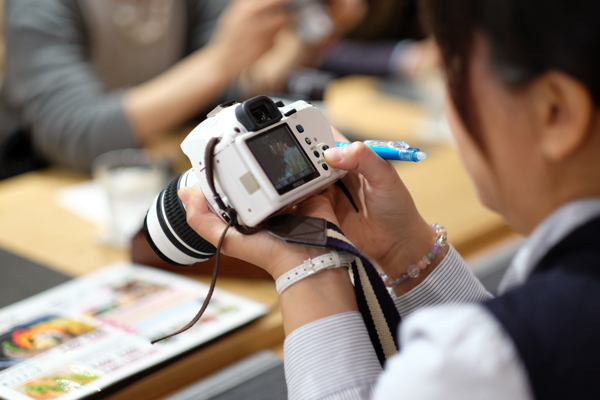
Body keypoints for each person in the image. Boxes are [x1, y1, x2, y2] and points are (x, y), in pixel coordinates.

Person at [178, 0, 600, 398]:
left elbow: (492, 357)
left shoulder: (483, 360)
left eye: (452, 77)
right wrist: (405, 247)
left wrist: (307, 270)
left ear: (555, 112)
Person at [0, 0, 366, 178]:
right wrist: (220, 60)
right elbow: (73, 133)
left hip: (165, 170)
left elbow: (229, 92)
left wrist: (311, 32)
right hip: (49, 184)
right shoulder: (38, 8)